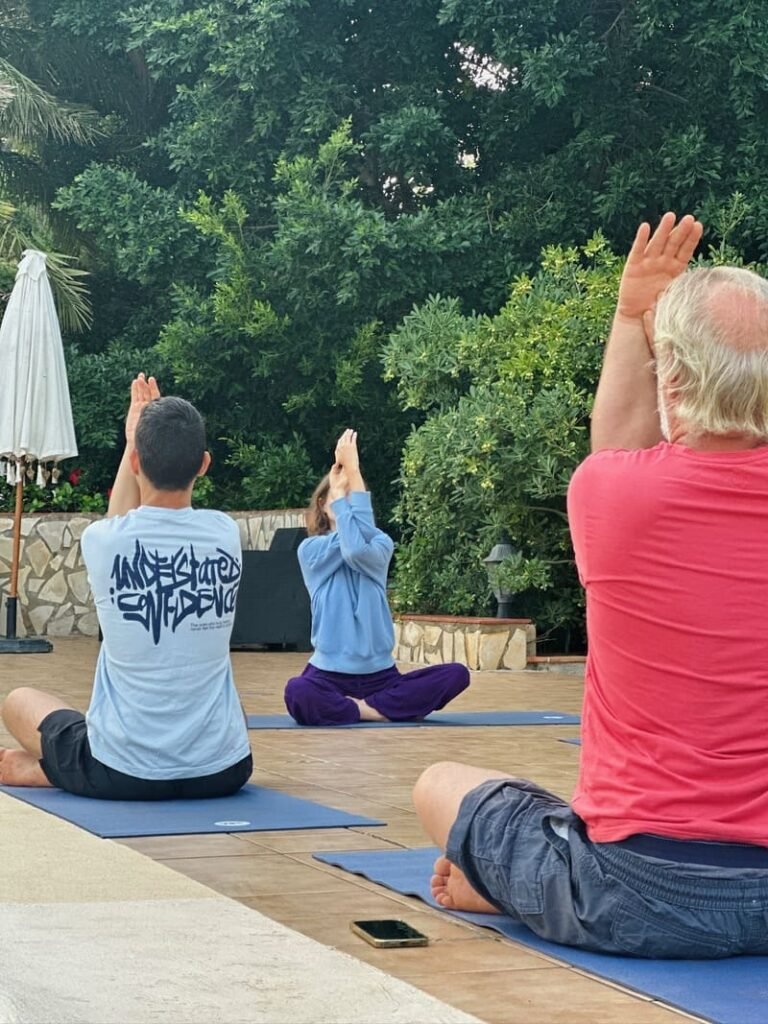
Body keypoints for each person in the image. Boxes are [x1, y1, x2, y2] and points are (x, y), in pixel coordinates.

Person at [413, 212, 768, 958]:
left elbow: (617, 451)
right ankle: (526, 884)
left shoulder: (610, 494)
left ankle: (523, 889)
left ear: (671, 379)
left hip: (632, 891)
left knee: (439, 783)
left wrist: (632, 314)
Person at [0, 374, 252, 799]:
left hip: (122, 770)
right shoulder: (225, 534)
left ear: (136, 464)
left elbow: (119, 520)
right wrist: (138, 441)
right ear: (204, 465)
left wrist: (132, 439)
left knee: (19, 700)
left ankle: (59, 772)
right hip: (224, 770)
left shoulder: (104, 541)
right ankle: (70, 771)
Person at [284, 429, 469, 725]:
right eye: (337, 496)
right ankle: (374, 710)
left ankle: (355, 709)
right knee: (297, 692)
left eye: (351, 495)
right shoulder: (311, 551)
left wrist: (353, 473)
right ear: (322, 504)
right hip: (327, 675)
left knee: (457, 674)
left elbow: (357, 548)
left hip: (381, 676)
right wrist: (349, 486)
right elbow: (351, 545)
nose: (344, 502)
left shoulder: (381, 544)